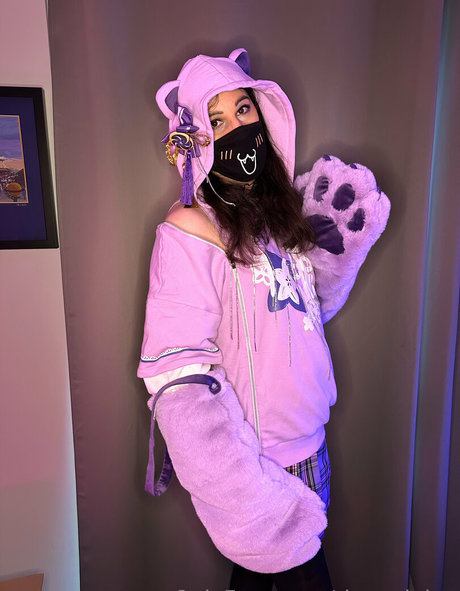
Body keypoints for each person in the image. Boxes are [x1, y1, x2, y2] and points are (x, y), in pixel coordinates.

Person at [138, 49, 390, 591]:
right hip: (256, 463)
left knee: (256, 581)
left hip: (312, 445)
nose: (236, 129)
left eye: (244, 110)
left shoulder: (278, 215)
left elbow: (302, 316)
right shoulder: (190, 226)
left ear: (264, 113)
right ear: (196, 137)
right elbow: (177, 375)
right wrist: (238, 487)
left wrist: (339, 256)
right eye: (217, 120)